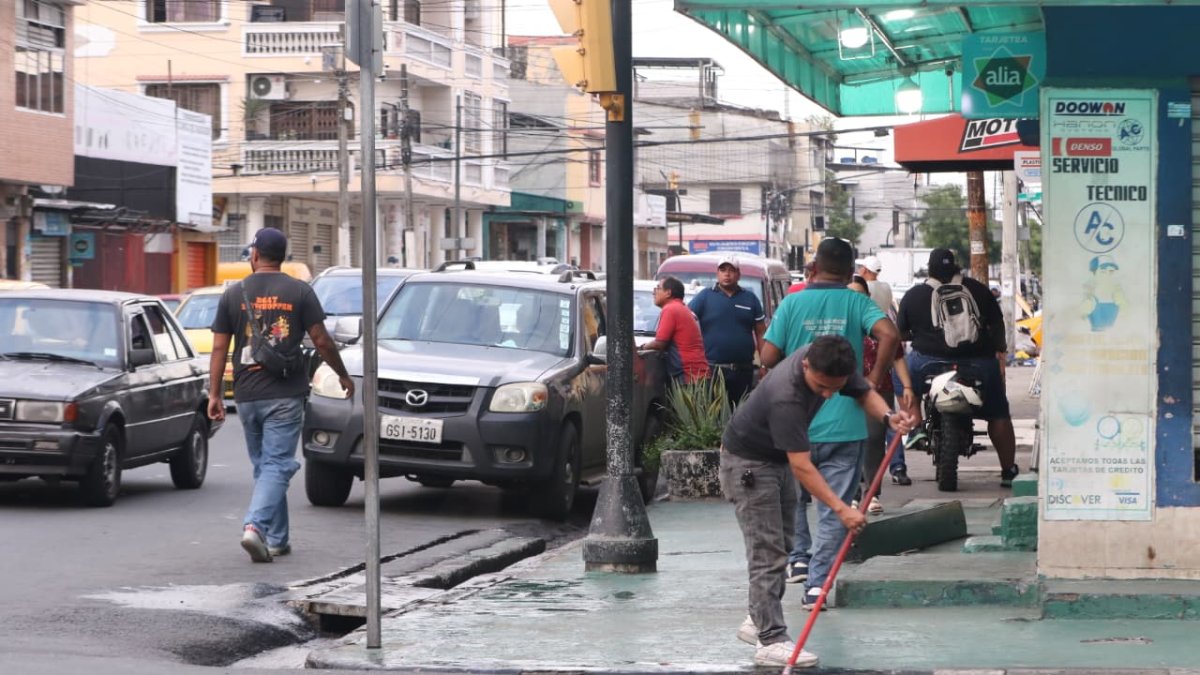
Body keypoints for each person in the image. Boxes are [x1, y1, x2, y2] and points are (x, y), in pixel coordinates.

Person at [722, 335, 916, 667]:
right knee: (767, 550)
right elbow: (802, 466)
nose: (827, 395)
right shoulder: (787, 396)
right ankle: (770, 639)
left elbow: (863, 392)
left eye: (833, 388)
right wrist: (842, 509)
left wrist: (888, 417)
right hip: (749, 465)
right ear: (806, 365)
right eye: (821, 387)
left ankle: (759, 617)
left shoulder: (830, 361)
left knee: (782, 544)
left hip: (775, 459)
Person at [759, 237, 898, 609]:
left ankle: (798, 559)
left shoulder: (792, 302)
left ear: (813, 267)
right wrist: (873, 378)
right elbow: (889, 334)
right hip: (845, 423)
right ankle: (817, 586)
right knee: (834, 507)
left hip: (795, 421)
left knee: (794, 499)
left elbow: (768, 357)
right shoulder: (856, 302)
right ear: (851, 271)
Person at [208, 227, 354, 563]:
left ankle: (277, 539)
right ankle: (255, 527)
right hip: (285, 394)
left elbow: (218, 349)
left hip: (246, 395)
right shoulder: (300, 291)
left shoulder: (233, 293)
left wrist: (214, 394)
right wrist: (342, 374)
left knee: (266, 468)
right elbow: (321, 340)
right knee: (275, 465)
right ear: (283, 256)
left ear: (255, 255)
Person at [896, 248, 1018, 486]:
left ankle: (916, 426)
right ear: (955, 266)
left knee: (901, 378)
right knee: (998, 413)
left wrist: (920, 335)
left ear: (929, 269)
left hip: (927, 363)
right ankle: (1008, 471)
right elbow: (997, 325)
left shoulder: (914, 294)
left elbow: (901, 332)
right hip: (978, 363)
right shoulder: (978, 290)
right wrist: (999, 349)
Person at [845, 277, 914, 514]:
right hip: (846, 391)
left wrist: (907, 387)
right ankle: (852, 493)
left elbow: (897, 356)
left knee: (874, 440)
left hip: (879, 389)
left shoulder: (880, 323)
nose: (855, 299)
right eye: (851, 294)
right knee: (849, 442)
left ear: (868, 297)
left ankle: (872, 493)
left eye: (860, 294)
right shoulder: (841, 322)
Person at [688, 254, 766, 406]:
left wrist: (764, 365)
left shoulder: (750, 298)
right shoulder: (704, 297)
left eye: (731, 270)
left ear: (738, 274)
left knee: (741, 413)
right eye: (723, 270)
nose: (727, 274)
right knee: (714, 413)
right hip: (713, 370)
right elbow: (687, 322)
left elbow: (761, 332)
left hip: (743, 370)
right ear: (717, 273)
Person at [643, 276, 709, 385]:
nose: (654, 292)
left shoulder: (670, 309)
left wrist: (643, 347)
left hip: (688, 375)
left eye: (658, 288)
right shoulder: (682, 308)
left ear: (668, 293)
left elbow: (659, 343)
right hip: (697, 374)